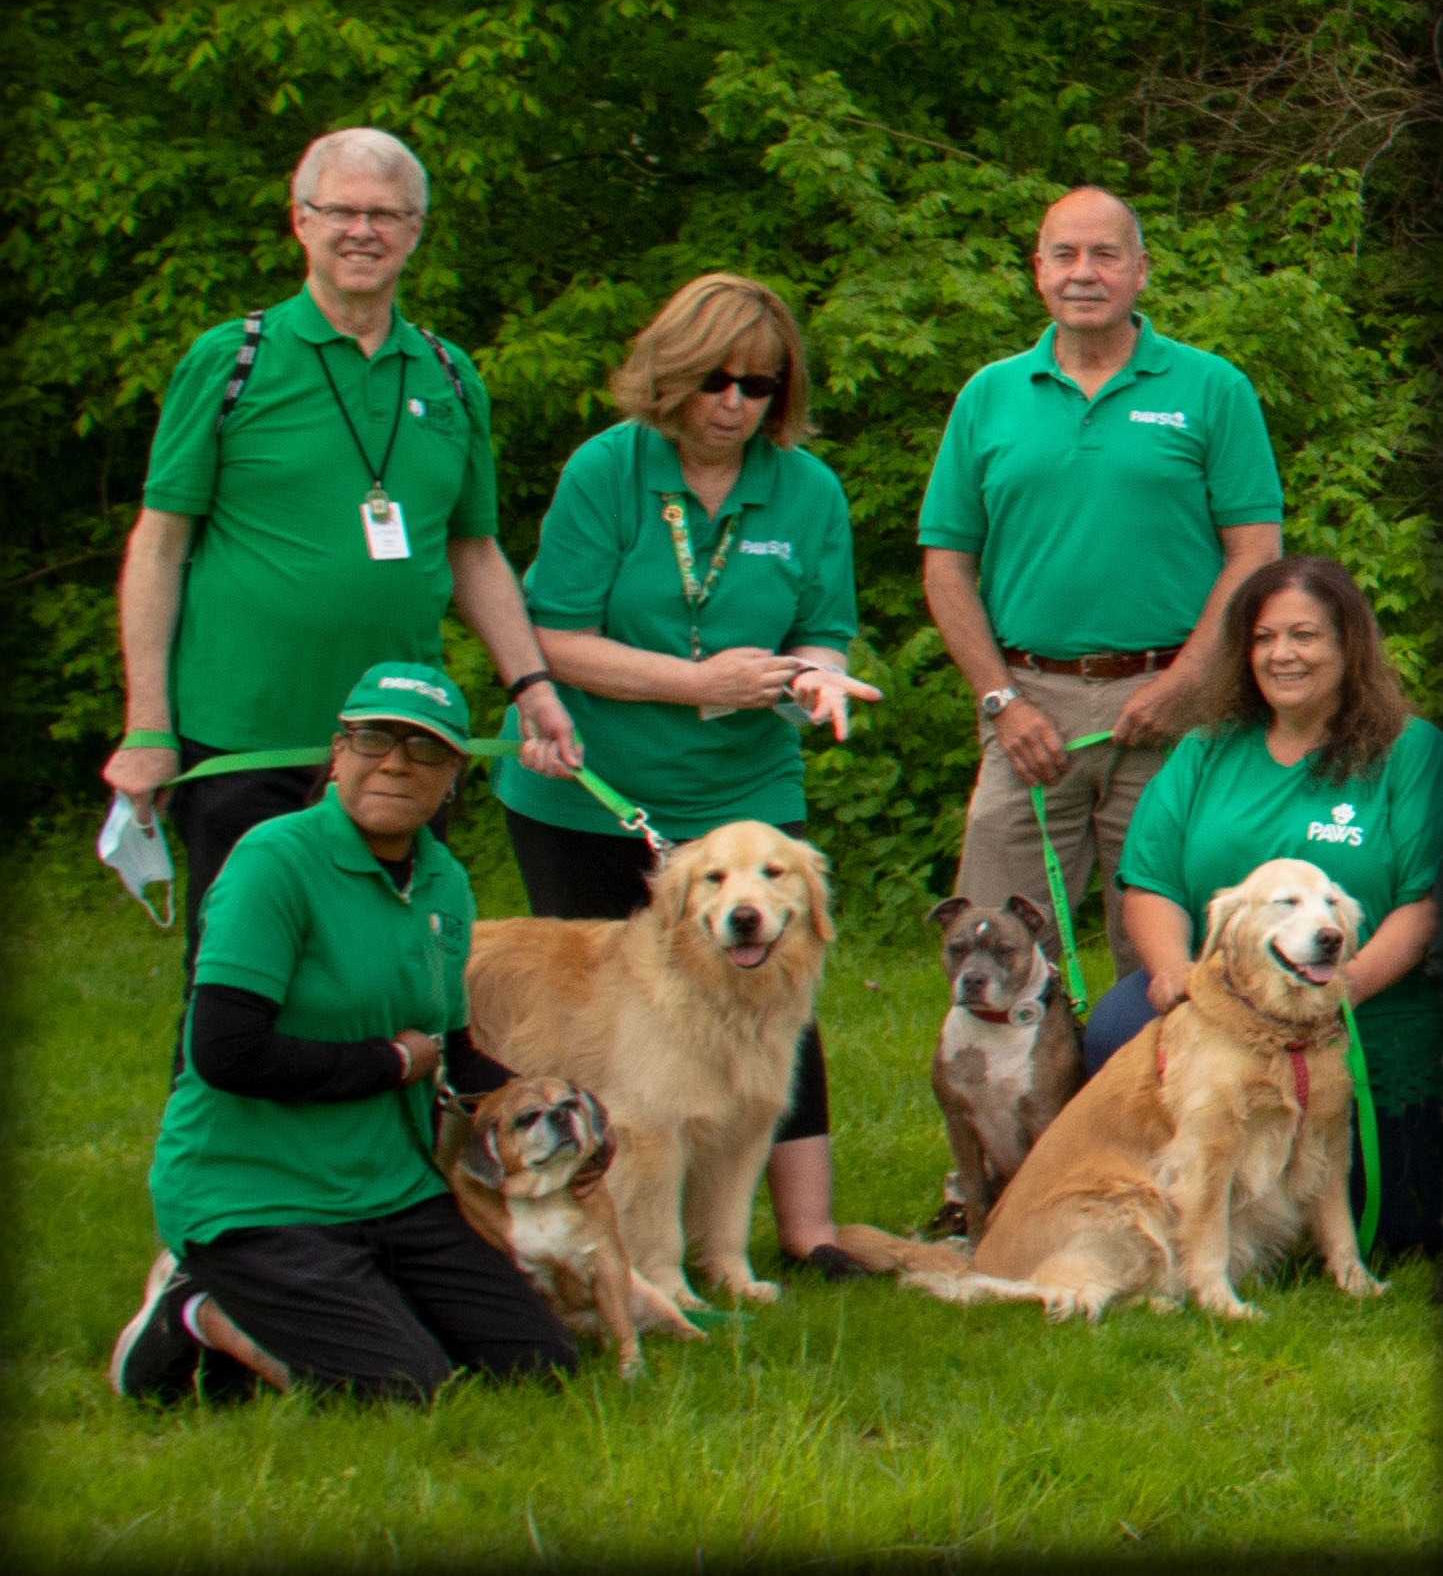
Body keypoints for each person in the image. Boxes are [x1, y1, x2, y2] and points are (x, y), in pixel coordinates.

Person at [100, 127, 577, 982]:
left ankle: (383, 1120)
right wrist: (147, 726)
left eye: (386, 214)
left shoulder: (448, 375)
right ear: (301, 222)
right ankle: (221, 1120)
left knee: (393, 976)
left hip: (402, 744)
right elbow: (160, 544)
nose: (363, 230)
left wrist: (531, 686)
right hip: (245, 741)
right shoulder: (232, 360)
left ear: (416, 230)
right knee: (240, 981)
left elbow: (473, 551)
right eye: (342, 211)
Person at [489, 273, 882, 1279]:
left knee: (770, 999)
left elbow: (820, 636)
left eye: (760, 384)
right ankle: (581, 1231)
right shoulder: (606, 472)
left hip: (743, 793)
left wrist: (813, 683)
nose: (735, 404)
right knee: (605, 1026)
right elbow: (553, 636)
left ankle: (802, 1234)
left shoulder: (807, 490)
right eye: (715, 380)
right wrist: (698, 680)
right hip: (593, 783)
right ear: (671, 373)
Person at [110, 663, 578, 1403]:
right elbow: (224, 1052)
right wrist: (390, 1062)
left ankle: (351, 1304)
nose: (395, 762)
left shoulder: (443, 880)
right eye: (373, 739)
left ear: (453, 774)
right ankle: (194, 1309)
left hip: (392, 1190)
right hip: (255, 1193)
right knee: (402, 1392)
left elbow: (450, 1053)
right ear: (339, 750)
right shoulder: (274, 860)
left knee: (540, 1368)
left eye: (424, 749)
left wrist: (566, 1109)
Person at [919, 185, 1284, 980]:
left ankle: (1158, 1101)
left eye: (1104, 254)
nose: (1083, 272)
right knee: (990, 958)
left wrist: (1186, 684)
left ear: (1140, 270)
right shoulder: (988, 395)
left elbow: (1254, 550)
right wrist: (998, 701)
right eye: (1064, 254)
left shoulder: (1210, 388)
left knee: (1173, 958)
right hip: (1026, 708)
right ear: (1037, 272)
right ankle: (1019, 1106)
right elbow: (946, 563)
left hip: (1171, 704)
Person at [1087, 556, 1443, 1255]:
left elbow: (1421, 903)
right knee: (1117, 1022)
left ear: (1347, 645)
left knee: (1398, 1226)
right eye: (1262, 637)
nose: (1281, 654)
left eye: (1304, 635)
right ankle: (1145, 1212)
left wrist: (1345, 986)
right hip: (1223, 1002)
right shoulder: (1203, 750)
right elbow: (1149, 883)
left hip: (1364, 1009)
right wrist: (1175, 978)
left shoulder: (1411, 751)